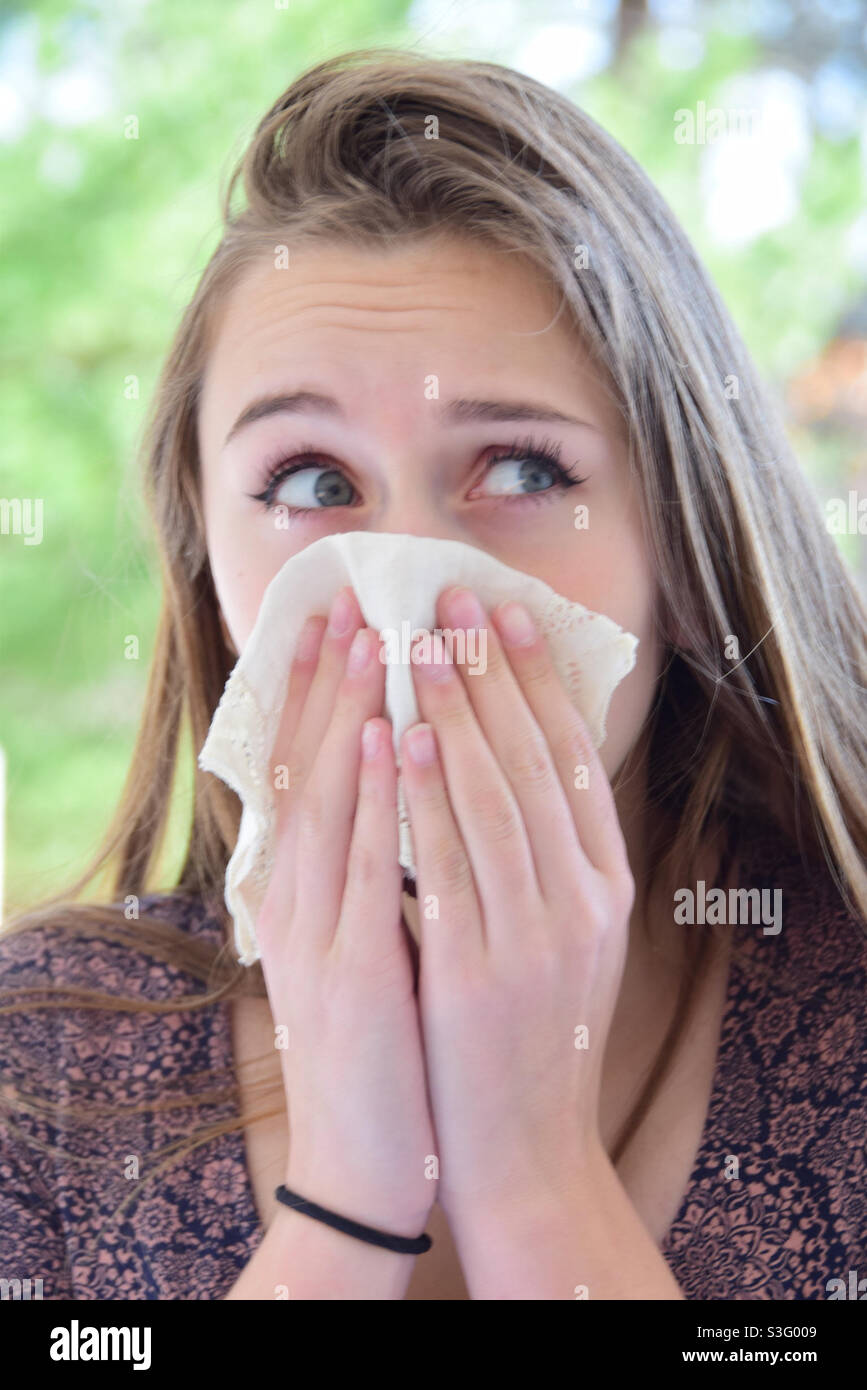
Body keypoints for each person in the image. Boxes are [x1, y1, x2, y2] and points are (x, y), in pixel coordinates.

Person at [1, 47, 864, 1301]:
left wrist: (534, 1178)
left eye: (520, 470)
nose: (411, 593)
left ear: (683, 543)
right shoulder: (40, 1069)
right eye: (312, 484)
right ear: (205, 561)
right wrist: (348, 1193)